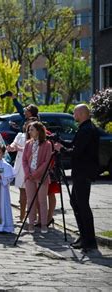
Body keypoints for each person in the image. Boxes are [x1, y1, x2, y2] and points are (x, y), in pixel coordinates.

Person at [55, 104, 99, 252]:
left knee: (82, 206)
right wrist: (60, 141)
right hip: (80, 172)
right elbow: (74, 145)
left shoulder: (87, 129)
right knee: (76, 203)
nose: (73, 115)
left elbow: (77, 152)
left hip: (84, 172)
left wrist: (61, 149)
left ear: (81, 113)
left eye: (75, 112)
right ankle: (84, 236)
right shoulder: (84, 128)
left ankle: (89, 240)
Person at [22, 121, 53, 234]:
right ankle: (31, 223)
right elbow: (24, 160)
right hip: (29, 176)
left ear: (39, 131)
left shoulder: (47, 144)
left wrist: (35, 173)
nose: (29, 132)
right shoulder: (28, 143)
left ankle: (44, 223)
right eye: (29, 130)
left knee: (42, 200)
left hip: (41, 176)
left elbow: (47, 162)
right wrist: (27, 173)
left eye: (32, 130)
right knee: (30, 200)